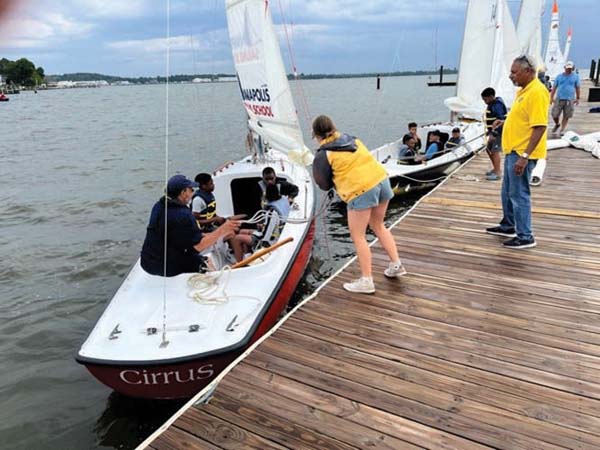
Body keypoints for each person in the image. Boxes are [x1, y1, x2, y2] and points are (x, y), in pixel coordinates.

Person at [312, 115, 406, 294]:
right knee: (379, 225)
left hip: (360, 190)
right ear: (333, 127)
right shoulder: (352, 138)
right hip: (381, 180)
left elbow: (323, 183)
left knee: (359, 237)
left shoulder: (324, 153)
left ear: (316, 135)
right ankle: (396, 264)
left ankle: (366, 280)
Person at [486, 55, 549, 249]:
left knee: (519, 193)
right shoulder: (524, 91)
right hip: (512, 149)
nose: (511, 76)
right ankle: (509, 225)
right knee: (507, 191)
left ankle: (525, 235)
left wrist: (524, 157)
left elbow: (539, 126)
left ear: (528, 71)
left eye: (514, 72)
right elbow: (522, 117)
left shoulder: (537, 92)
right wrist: (504, 121)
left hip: (522, 152)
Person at [140, 174, 240, 276]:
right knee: (206, 263)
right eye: (191, 189)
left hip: (147, 262)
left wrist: (207, 235)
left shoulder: (159, 206)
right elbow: (199, 246)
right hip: (165, 267)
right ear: (183, 193)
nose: (193, 192)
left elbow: (176, 234)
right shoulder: (183, 215)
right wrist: (222, 230)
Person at [481, 87, 508, 181]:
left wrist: (494, 133)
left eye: (485, 99)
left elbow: (500, 120)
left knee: (495, 151)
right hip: (492, 132)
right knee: (488, 149)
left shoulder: (497, 105)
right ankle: (496, 168)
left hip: (498, 133)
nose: (485, 102)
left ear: (491, 96)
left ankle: (498, 173)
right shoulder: (492, 103)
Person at [550, 61, 581, 136]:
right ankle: (557, 124)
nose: (569, 70)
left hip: (569, 99)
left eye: (570, 68)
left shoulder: (576, 77)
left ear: (573, 68)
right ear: (564, 68)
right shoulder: (559, 76)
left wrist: (577, 98)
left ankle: (562, 130)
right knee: (555, 114)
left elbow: (577, 88)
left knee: (566, 115)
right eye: (567, 68)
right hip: (559, 98)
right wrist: (551, 97)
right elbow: (554, 87)